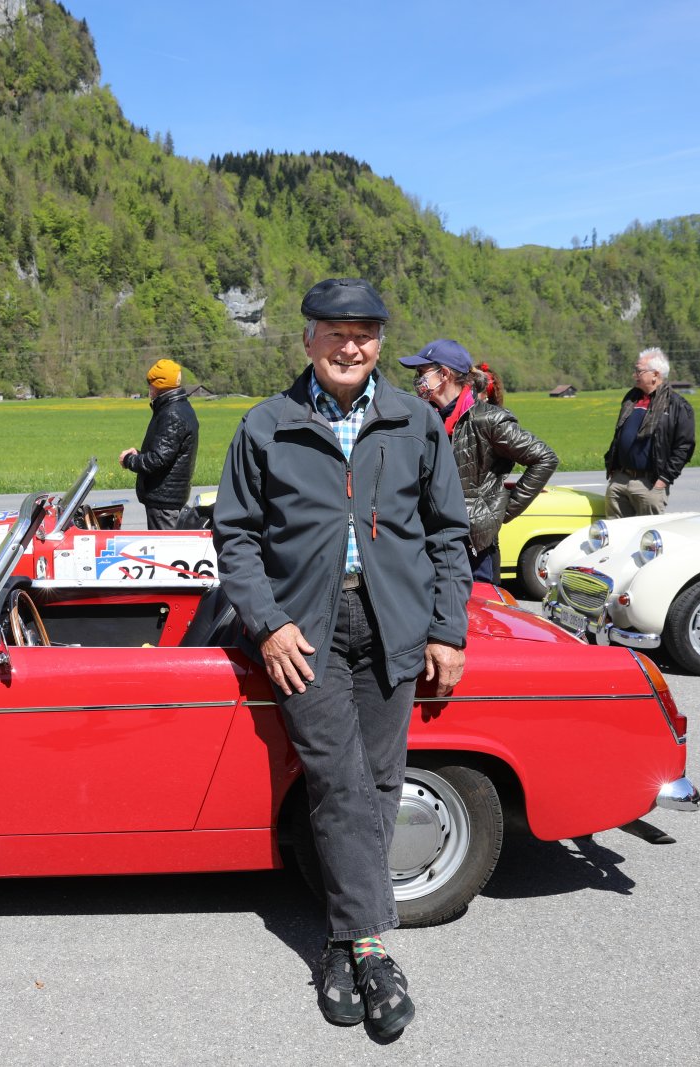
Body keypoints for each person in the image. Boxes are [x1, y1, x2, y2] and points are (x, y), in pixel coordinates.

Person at [212, 279, 470, 1039]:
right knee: (338, 778)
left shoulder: (415, 420)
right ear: (308, 340)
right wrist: (267, 625)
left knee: (382, 780)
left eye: (364, 334)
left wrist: (447, 629)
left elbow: (448, 534)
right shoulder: (268, 425)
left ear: (380, 344)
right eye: (335, 333)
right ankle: (372, 950)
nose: (350, 347)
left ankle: (339, 941)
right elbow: (236, 538)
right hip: (305, 631)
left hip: (394, 623)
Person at [401, 339, 558, 585]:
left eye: (422, 372)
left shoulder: (488, 419)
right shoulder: (423, 417)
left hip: (475, 547)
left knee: (479, 607)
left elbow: (545, 458)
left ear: (444, 374)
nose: (417, 380)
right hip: (431, 539)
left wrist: (499, 512)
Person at [603, 347, 696, 517]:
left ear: (655, 374)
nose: (634, 375)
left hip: (650, 483)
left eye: (639, 371)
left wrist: (664, 479)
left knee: (647, 532)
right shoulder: (631, 398)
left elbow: (684, 446)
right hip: (620, 479)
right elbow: (618, 435)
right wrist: (612, 466)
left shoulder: (676, 405)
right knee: (614, 530)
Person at [118, 357, 199, 529]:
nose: (149, 388)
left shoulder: (172, 413)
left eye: (150, 383)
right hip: (166, 499)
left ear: (159, 385)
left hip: (164, 503)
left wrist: (129, 460)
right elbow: (165, 452)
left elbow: (158, 460)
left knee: (165, 546)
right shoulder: (178, 407)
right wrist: (140, 454)